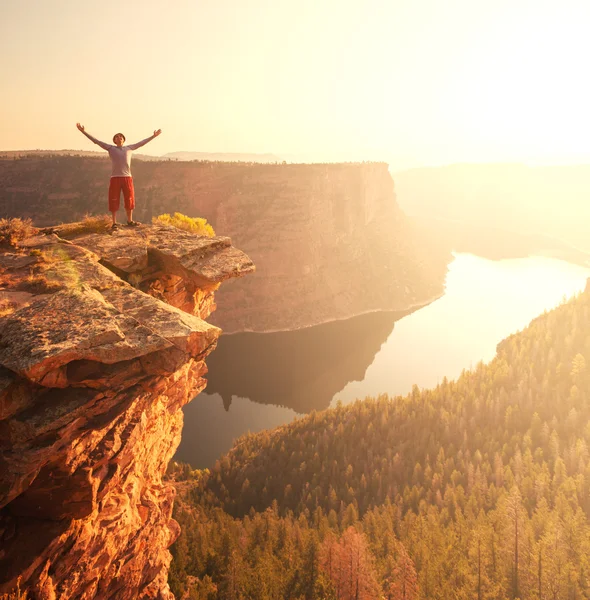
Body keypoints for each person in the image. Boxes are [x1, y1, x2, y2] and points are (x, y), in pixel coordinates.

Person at [76, 123, 162, 228]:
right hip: (115, 178)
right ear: (114, 141)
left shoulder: (130, 148)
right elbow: (96, 141)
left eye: (121, 136)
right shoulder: (110, 148)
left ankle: (130, 221)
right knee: (114, 199)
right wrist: (83, 131)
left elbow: (142, 143)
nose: (119, 138)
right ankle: (114, 223)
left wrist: (153, 136)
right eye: (117, 137)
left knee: (129, 199)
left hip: (127, 178)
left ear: (123, 140)